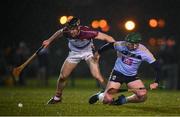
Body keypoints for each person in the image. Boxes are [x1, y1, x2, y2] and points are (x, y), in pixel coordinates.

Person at [42, 17, 115, 104]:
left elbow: (108, 38)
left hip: (88, 52)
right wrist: (49, 41)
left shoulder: (87, 32)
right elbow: (59, 33)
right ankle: (57, 98)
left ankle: (109, 96)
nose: (71, 32)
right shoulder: (66, 32)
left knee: (97, 76)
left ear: (78, 27)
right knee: (62, 77)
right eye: (70, 29)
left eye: (73, 29)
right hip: (74, 53)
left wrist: (118, 47)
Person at [89, 32, 161, 105]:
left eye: (130, 44)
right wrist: (98, 53)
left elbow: (157, 67)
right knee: (107, 100)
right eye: (127, 43)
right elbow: (109, 45)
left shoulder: (144, 52)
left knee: (143, 96)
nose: (127, 45)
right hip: (117, 73)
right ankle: (100, 95)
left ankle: (124, 100)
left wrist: (156, 82)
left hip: (131, 76)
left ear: (136, 44)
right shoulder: (121, 44)